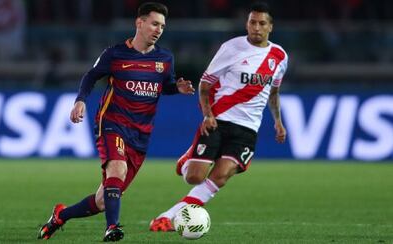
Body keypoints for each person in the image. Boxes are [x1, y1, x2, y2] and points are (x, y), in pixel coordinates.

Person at [37, 2, 194, 242]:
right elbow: (91, 76)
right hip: (112, 123)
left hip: (140, 134)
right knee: (117, 170)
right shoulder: (115, 54)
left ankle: (61, 215)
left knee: (103, 200)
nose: (158, 29)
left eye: (162, 26)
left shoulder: (164, 58)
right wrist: (80, 101)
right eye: (154, 23)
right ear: (139, 23)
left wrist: (177, 88)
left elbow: (165, 85)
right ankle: (112, 227)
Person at [149, 1, 288, 232]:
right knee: (194, 177)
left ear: (270, 27)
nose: (256, 27)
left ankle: (168, 217)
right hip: (219, 120)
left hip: (248, 128)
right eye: (252, 22)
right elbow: (205, 84)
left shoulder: (279, 56)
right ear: (247, 23)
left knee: (221, 176)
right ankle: (186, 162)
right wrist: (207, 115)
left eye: (262, 23)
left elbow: (273, 92)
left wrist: (278, 122)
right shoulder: (232, 48)